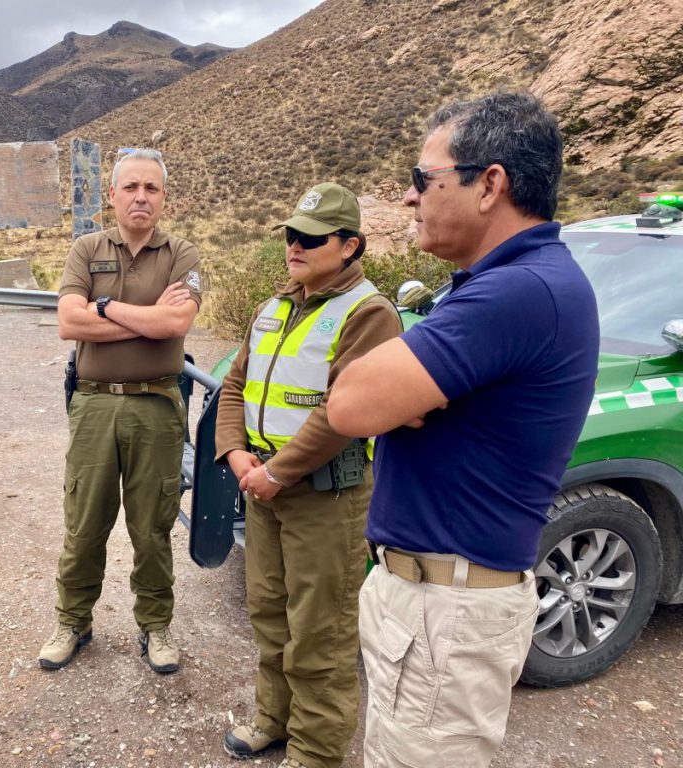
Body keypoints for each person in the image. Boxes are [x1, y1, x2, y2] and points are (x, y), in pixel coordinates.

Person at [325, 92, 599, 766]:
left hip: (443, 612)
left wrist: (392, 391)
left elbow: (350, 403)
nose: (412, 198)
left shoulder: (518, 291)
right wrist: (401, 391)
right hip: (437, 602)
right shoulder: (511, 282)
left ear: (490, 184)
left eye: (425, 179)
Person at [214, 184, 401, 768]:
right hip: (265, 486)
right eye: (291, 235)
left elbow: (343, 415)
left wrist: (276, 471)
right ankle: (275, 719)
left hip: (326, 497)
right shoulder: (274, 306)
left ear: (349, 246)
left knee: (320, 630)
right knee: (269, 614)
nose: (295, 246)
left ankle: (317, 752)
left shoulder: (369, 313)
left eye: (311, 238)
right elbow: (234, 385)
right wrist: (235, 454)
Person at [39, 148, 201, 674]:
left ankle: (155, 626)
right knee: (84, 523)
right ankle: (73, 621)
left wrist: (104, 307)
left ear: (163, 197)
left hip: (156, 406)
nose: (140, 197)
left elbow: (177, 326)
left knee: (152, 528)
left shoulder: (182, 253)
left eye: (151, 188)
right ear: (112, 195)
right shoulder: (87, 249)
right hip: (94, 405)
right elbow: (69, 322)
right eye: (130, 187)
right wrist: (147, 317)